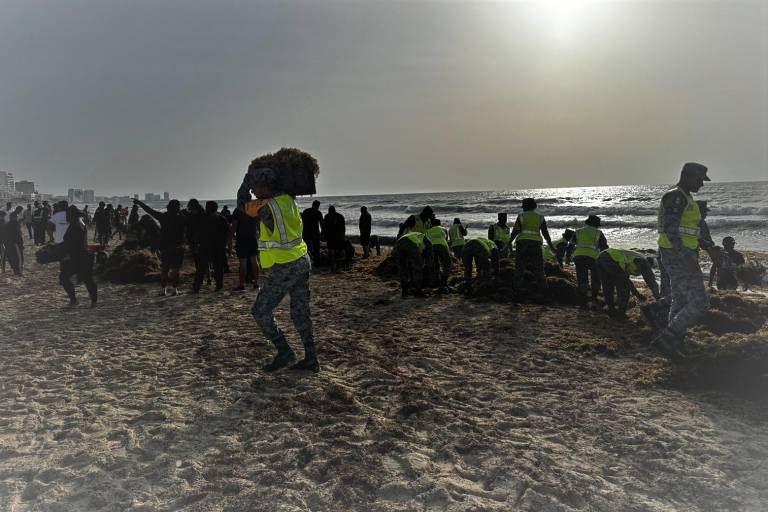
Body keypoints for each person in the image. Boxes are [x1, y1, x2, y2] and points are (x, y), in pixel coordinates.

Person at [238, 167, 318, 373]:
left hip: (285, 266)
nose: (254, 192)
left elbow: (241, 206)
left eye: (256, 187)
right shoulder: (289, 200)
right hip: (302, 259)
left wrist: (245, 183)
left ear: (265, 187)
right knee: (300, 311)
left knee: (260, 311)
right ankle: (311, 358)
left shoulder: (266, 207)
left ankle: (285, 352)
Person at [651, 162, 712, 359]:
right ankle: (667, 338)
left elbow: (688, 230)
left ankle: (674, 343)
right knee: (700, 302)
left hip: (679, 253)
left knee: (680, 300)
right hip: (678, 255)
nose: (702, 184)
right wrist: (685, 255)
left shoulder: (686, 197)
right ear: (687, 176)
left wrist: (706, 244)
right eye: (699, 180)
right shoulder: (676, 196)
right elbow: (670, 229)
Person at [134, 197, 187, 297]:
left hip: (165, 247)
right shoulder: (182, 218)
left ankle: (164, 290)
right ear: (178, 208)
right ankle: (175, 290)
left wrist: (139, 203)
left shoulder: (163, 217)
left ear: (168, 207)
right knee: (176, 270)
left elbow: (149, 210)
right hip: (178, 247)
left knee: (164, 270)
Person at [597, 248, 660, 320]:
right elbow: (651, 281)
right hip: (612, 259)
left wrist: (637, 295)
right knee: (623, 288)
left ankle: (612, 311)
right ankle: (621, 314)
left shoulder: (631, 261)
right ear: (650, 264)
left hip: (601, 257)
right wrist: (658, 297)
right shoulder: (644, 262)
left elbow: (627, 280)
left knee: (608, 286)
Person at [510, 198, 555, 296]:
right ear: (534, 206)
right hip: (536, 244)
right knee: (539, 269)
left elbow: (515, 231)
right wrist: (551, 246)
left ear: (524, 207)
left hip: (522, 243)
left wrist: (508, 243)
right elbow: (545, 233)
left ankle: (516, 292)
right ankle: (544, 292)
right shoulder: (540, 217)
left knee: (519, 268)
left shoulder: (521, 216)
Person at [567, 215, 608, 309]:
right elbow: (604, 248)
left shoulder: (578, 231)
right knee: (596, 279)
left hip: (579, 257)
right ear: (596, 224)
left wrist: (568, 256)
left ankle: (583, 302)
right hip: (593, 258)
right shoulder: (599, 233)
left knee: (582, 279)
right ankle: (594, 300)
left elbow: (571, 245)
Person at [59, 206, 97, 307]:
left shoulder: (77, 225)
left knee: (87, 279)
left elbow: (75, 243)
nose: (66, 216)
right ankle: (75, 300)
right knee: (64, 277)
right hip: (77, 256)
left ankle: (91, 302)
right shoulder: (76, 224)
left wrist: (68, 254)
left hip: (81, 257)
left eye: (67, 215)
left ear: (72, 215)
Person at [193, 201, 230, 293]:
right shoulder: (222, 219)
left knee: (201, 269)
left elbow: (197, 233)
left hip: (205, 246)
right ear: (216, 208)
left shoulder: (202, 219)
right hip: (218, 247)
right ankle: (219, 286)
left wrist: (196, 245)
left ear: (207, 208)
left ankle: (196, 287)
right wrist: (227, 246)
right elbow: (227, 233)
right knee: (218, 268)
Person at [231, 206, 260, 291]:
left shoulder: (238, 211)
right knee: (254, 261)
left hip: (242, 239)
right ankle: (256, 284)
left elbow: (234, 226)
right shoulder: (254, 209)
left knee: (243, 263)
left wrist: (230, 237)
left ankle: (241, 285)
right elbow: (258, 224)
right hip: (253, 238)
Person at [396, 230, 431, 298]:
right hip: (411, 243)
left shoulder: (417, 235)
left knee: (403, 268)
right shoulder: (427, 241)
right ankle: (418, 291)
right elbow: (429, 254)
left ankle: (405, 292)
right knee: (418, 268)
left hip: (399, 242)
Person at [425, 219, 452, 292]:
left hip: (432, 247)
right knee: (447, 264)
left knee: (435, 265)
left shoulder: (428, 231)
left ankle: (436, 282)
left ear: (432, 224)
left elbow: (426, 241)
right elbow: (446, 239)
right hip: (442, 246)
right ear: (439, 224)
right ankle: (443, 283)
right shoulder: (443, 229)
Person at [323, 205, 346, 272]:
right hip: (338, 236)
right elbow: (343, 228)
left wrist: (324, 235)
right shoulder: (340, 216)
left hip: (331, 237)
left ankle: (333, 267)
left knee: (332, 252)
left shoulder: (327, 216)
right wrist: (343, 236)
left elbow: (324, 227)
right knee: (338, 252)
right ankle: (338, 267)